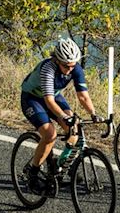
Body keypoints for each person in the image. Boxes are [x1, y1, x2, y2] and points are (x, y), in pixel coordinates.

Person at [20, 38, 100, 195]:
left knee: (74, 129)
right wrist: (64, 116)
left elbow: (83, 96)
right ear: (57, 60)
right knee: (50, 135)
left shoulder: (74, 68)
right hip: (32, 98)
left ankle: (61, 163)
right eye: (66, 66)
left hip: (54, 96)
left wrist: (94, 114)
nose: (70, 69)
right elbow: (48, 101)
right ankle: (33, 172)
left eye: (73, 65)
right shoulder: (48, 69)